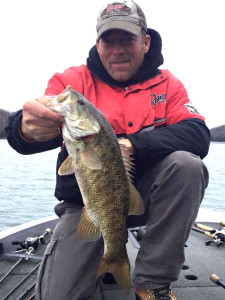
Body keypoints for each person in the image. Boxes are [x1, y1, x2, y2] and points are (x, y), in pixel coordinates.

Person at [5, 1, 210, 299]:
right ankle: (109, 256)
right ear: (97, 44)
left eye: (127, 39)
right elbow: (27, 131)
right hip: (85, 205)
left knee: (188, 165)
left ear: (145, 41)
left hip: (146, 199)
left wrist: (131, 144)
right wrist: (24, 128)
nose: (117, 50)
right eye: (108, 41)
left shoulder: (168, 85)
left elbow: (198, 135)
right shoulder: (72, 83)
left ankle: (152, 284)